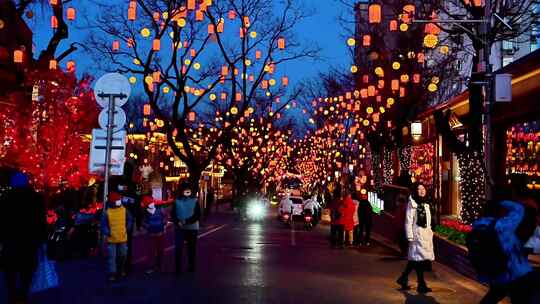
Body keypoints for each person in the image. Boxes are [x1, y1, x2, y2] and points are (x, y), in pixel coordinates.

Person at [475, 191, 540, 304]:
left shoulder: (480, 226)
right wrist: (508, 202)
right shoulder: (502, 227)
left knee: (495, 295)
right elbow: (518, 210)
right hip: (516, 273)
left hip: (500, 273)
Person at [1, 172, 47, 304]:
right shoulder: (36, 199)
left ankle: (12, 295)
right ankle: (23, 294)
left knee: (10, 271)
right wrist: (42, 239)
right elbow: (40, 221)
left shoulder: (5, 199)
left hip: (10, 241)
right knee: (26, 271)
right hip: (29, 241)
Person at [396, 183, 435, 294]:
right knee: (418, 259)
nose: (422, 191)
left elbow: (429, 220)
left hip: (425, 234)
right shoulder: (412, 204)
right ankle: (421, 284)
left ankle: (403, 278)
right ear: (415, 191)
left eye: (423, 188)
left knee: (416, 259)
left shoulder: (426, 203)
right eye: (419, 189)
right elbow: (408, 221)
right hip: (417, 235)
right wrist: (409, 236)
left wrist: (430, 230)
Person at [101, 191, 134, 282]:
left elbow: (130, 219)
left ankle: (121, 269)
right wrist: (108, 232)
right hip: (112, 239)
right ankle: (113, 273)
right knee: (112, 257)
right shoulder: (107, 212)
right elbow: (103, 225)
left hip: (122, 237)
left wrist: (127, 228)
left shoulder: (124, 210)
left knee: (123, 254)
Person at [171, 182, 201, 273]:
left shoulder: (194, 201)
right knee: (182, 248)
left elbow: (197, 215)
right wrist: (178, 221)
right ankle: (180, 268)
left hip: (190, 228)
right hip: (184, 227)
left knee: (188, 248)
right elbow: (173, 214)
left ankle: (188, 267)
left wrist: (182, 221)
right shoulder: (177, 201)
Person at [142, 196, 167, 275]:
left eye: (151, 202)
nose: (151, 204)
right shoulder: (145, 212)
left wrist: (163, 223)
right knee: (151, 251)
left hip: (160, 233)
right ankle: (151, 267)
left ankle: (160, 266)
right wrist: (147, 226)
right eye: (149, 203)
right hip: (151, 234)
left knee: (161, 250)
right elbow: (143, 222)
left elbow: (165, 217)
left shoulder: (160, 209)